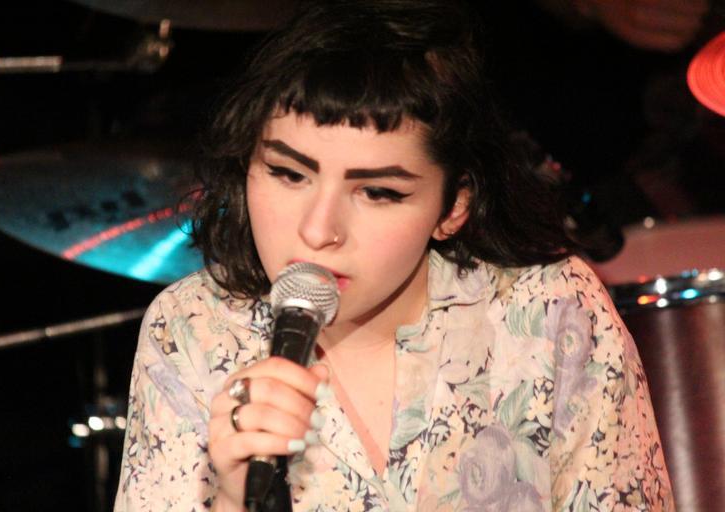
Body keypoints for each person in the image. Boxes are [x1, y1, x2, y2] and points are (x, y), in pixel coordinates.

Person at [114, 1, 674, 510]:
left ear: (453, 207)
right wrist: (234, 499)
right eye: (289, 173)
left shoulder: (549, 309)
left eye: (378, 192)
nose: (318, 230)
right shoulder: (192, 328)